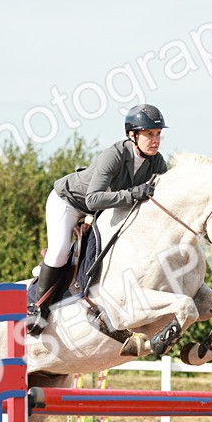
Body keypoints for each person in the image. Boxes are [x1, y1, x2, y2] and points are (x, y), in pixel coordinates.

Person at [27, 103, 170, 334]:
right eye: (149, 134)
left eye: (158, 134)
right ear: (132, 135)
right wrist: (134, 194)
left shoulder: (157, 162)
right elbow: (93, 200)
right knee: (60, 251)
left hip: (101, 210)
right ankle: (36, 309)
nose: (155, 140)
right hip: (70, 201)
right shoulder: (113, 155)